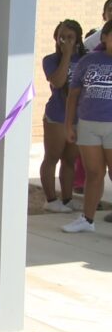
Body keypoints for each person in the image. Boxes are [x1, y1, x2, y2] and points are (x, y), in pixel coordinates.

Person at [62, 20, 112, 233]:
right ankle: (87, 220)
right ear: (104, 37)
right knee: (94, 173)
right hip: (88, 124)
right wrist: (69, 125)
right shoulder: (88, 61)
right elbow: (73, 95)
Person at [40, 20, 86, 213]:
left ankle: (67, 199)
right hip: (57, 116)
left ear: (77, 39)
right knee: (52, 157)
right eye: (61, 37)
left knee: (70, 159)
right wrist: (66, 56)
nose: (65, 41)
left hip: (79, 117)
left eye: (69, 37)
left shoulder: (86, 59)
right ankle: (51, 199)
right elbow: (58, 82)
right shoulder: (50, 60)